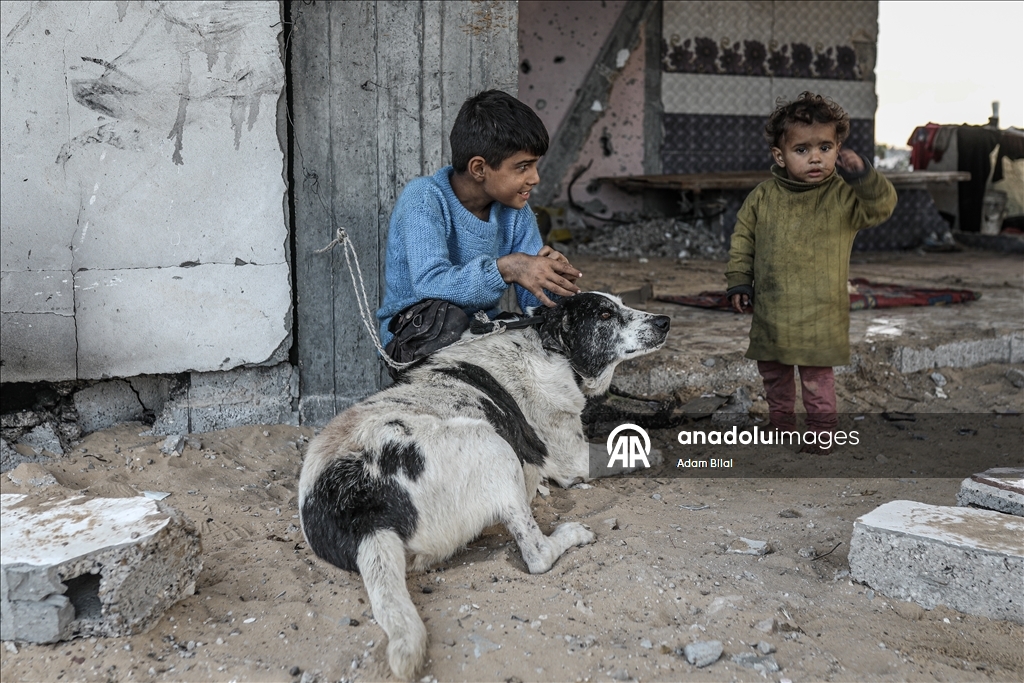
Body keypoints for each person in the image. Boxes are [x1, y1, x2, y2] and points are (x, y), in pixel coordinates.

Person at [725, 91, 897, 452]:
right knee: (774, 373)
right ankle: (781, 425)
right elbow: (742, 241)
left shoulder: (845, 196)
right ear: (780, 155)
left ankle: (822, 431)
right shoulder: (762, 196)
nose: (815, 157)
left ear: (838, 149)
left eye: (825, 147)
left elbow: (881, 207)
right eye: (802, 150)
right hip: (773, 309)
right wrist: (739, 281)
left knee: (817, 377)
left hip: (822, 311)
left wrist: (864, 176)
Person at [376, 89, 582, 359]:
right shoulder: (424, 198)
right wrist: (507, 268)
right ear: (479, 169)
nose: (535, 178)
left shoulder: (516, 211)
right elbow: (430, 283)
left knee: (551, 338)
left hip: (479, 331)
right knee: (452, 321)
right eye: (523, 167)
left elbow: (534, 305)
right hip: (414, 334)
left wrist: (553, 281)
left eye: (535, 166)